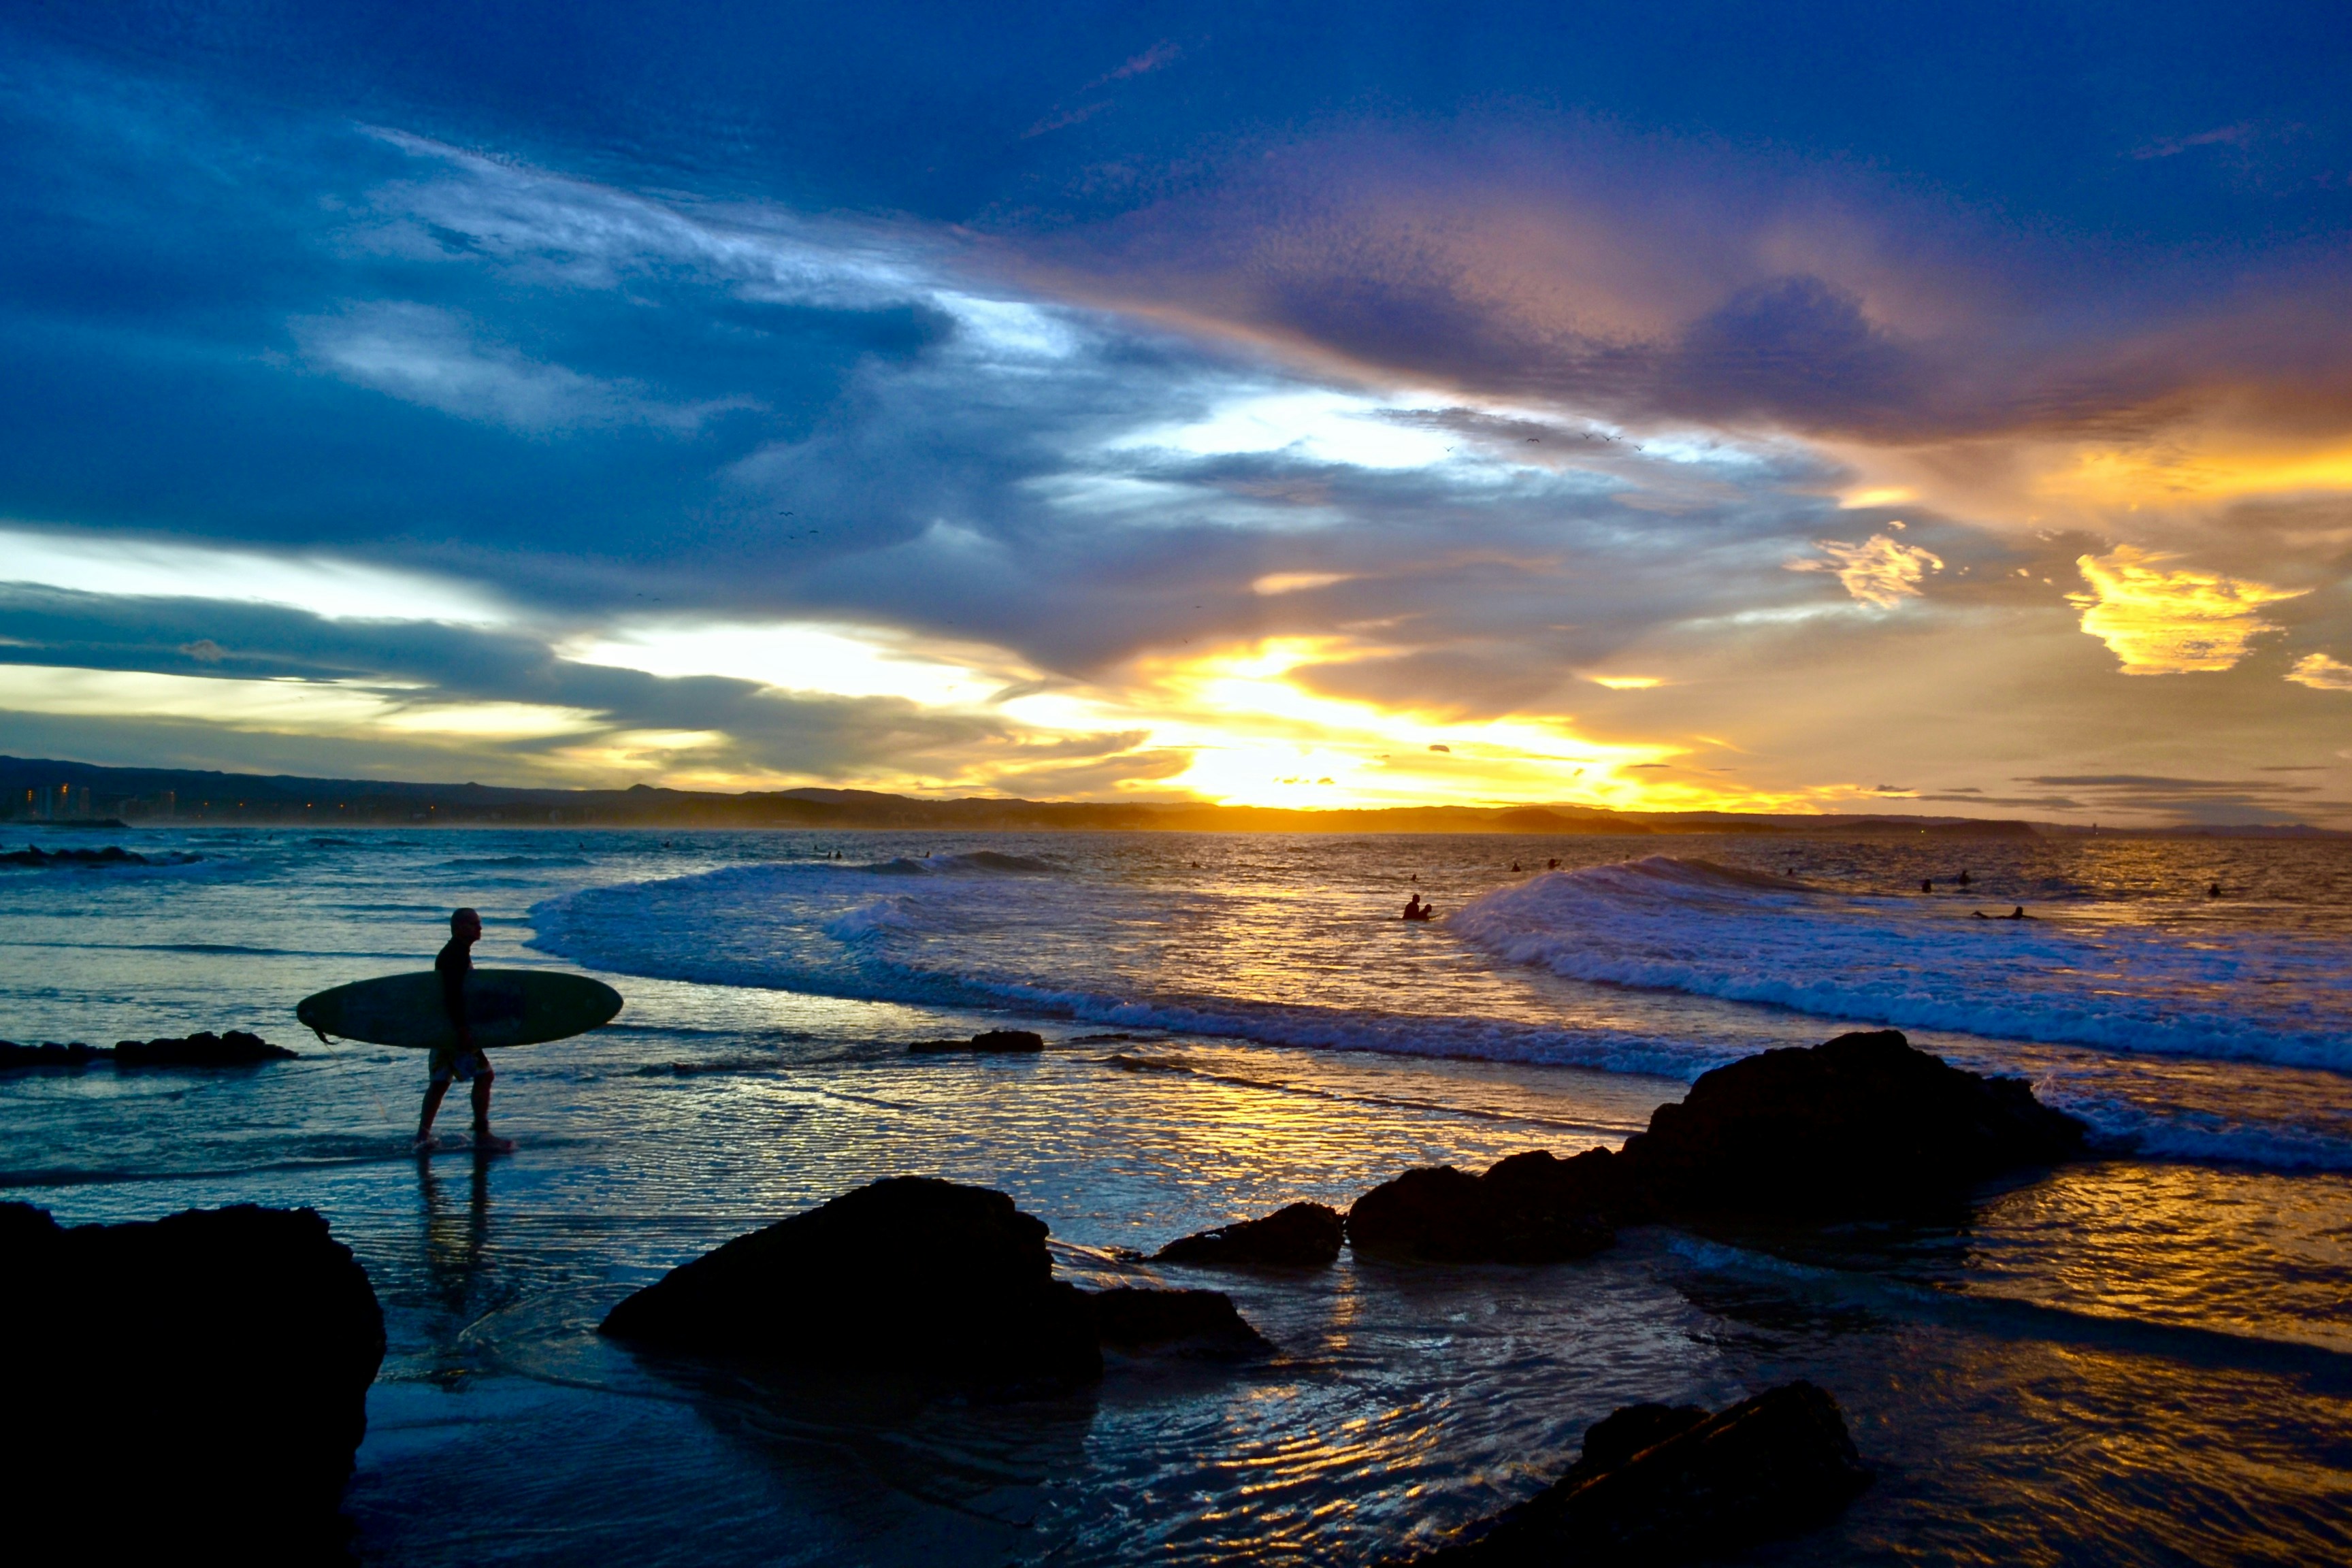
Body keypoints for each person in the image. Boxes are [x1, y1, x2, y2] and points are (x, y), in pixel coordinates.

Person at [417, 907, 512, 1152]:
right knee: (485, 1075)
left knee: (440, 1083)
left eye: (479, 923)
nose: (479, 928)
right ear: (459, 927)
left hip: (444, 1029)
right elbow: (453, 996)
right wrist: (462, 1030)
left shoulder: (456, 953)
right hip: (454, 1030)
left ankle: (422, 1137)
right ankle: (482, 1135)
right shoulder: (454, 956)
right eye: (473, 924)